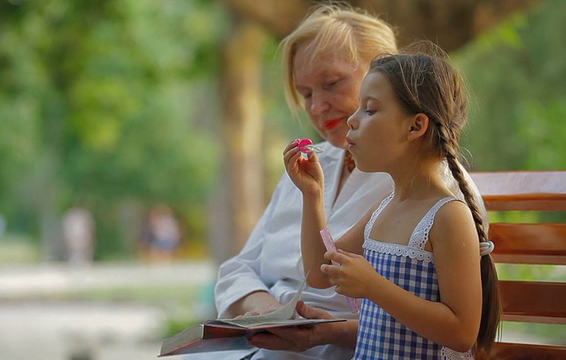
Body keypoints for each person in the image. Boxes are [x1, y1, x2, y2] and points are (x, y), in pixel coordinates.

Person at [207, 4, 486, 360]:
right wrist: (313, 198)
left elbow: (459, 331)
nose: (318, 107)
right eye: (305, 93)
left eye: (333, 83)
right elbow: (317, 267)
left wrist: (328, 328)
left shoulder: (441, 201)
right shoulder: (339, 178)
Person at [284, 48, 501, 358]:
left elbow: (462, 333)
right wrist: (312, 195)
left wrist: (373, 286)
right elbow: (320, 273)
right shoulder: (385, 208)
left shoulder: (447, 216)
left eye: (370, 110)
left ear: (415, 127)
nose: (353, 120)